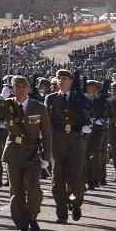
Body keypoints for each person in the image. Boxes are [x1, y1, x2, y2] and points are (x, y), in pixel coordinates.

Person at [0, 75, 52, 231]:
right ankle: (22, 224)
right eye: (17, 86)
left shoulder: (38, 107)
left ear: (28, 88)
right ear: (12, 89)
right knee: (16, 192)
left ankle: (32, 217)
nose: (21, 89)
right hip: (13, 151)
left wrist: (46, 157)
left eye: (24, 86)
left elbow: (47, 134)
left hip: (32, 153)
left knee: (33, 189)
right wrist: (1, 97)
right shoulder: (7, 104)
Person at [44, 69, 91, 223]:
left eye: (65, 78)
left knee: (75, 180)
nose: (62, 81)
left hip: (76, 142)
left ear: (71, 81)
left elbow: (86, 116)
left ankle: (75, 203)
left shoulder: (80, 98)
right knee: (58, 180)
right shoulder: (50, 99)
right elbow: (46, 122)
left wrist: (85, 126)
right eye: (59, 78)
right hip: (57, 143)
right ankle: (61, 212)